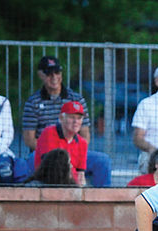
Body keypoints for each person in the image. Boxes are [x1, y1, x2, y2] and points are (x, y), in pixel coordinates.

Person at [22, 55, 111, 187]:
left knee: (103, 160)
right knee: (30, 160)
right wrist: (58, 155)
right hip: (45, 151)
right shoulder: (33, 102)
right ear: (40, 75)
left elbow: (85, 134)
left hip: (73, 149)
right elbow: (29, 139)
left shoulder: (76, 99)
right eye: (49, 73)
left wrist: (71, 153)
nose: (54, 77)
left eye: (57, 72)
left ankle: (103, 201)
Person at [34, 100, 88, 186]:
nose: (76, 121)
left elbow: (81, 174)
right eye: (72, 117)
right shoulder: (49, 133)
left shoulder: (82, 143)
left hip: (71, 185)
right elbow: (51, 168)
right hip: (48, 182)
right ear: (61, 118)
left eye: (79, 118)